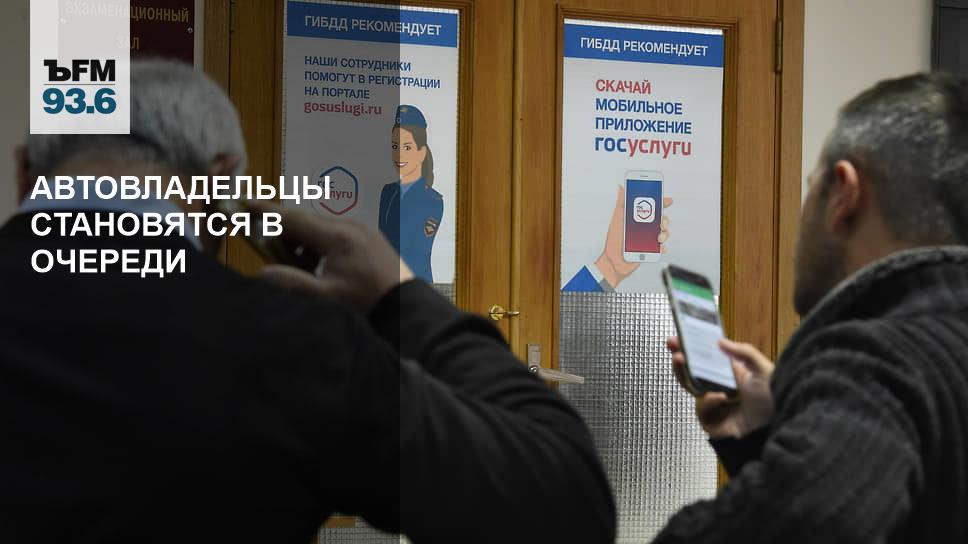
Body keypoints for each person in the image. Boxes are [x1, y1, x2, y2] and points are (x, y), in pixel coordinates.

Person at [0, 59, 615, 542]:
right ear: (223, 180)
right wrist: (399, 301)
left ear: (26, 170)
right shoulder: (291, 346)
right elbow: (565, 507)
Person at [656, 72, 968, 541]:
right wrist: (770, 430)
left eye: (810, 185)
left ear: (844, 194)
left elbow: (813, 521)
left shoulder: (873, 366)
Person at [378, 105, 442, 283]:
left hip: (415, 285)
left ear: (421, 153)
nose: (399, 154)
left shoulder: (432, 200)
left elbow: (416, 251)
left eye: (407, 147)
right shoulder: (388, 192)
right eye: (395, 146)